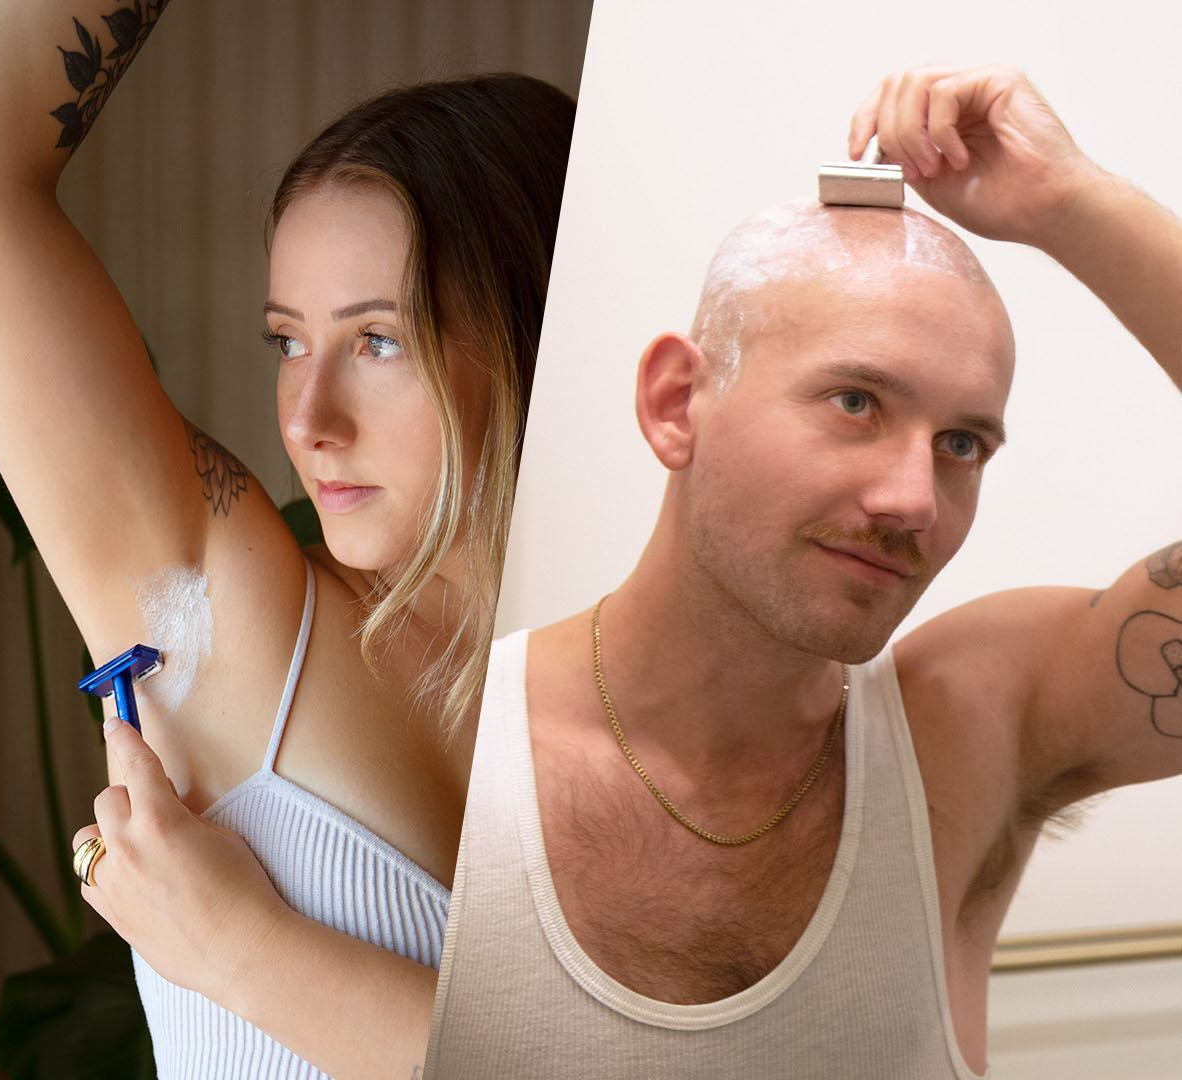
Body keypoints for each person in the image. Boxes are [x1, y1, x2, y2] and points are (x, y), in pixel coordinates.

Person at [423, 65, 1182, 1078]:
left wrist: (1074, 206)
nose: (914, 497)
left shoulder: (968, 730)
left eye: (962, 444)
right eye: (857, 403)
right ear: (676, 402)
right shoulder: (444, 730)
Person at [0, 1, 572, 1077]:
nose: (307, 420)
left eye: (379, 340)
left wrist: (242, 949)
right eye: (289, 343)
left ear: (536, 332)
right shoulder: (234, 608)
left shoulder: (674, 696)